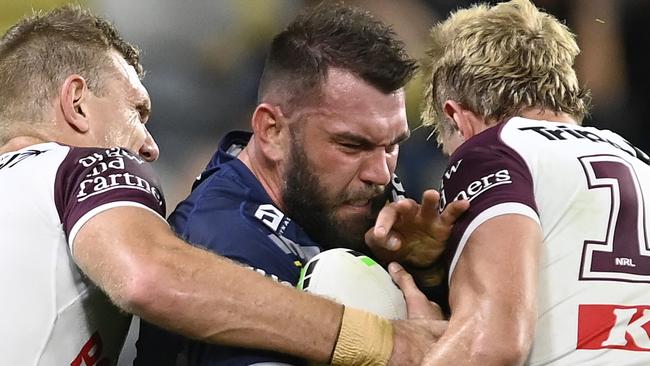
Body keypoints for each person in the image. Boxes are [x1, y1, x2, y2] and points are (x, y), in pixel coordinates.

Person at [0, 5, 453, 366]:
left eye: (393, 146)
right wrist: (385, 343)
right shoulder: (82, 165)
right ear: (77, 103)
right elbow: (152, 276)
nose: (150, 148)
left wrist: (425, 273)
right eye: (137, 111)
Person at [135, 3, 469, 365]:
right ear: (272, 131)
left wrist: (428, 273)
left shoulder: (362, 196)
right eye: (351, 145)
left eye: (392, 145)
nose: (381, 174)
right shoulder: (221, 246)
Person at [382, 0, 650, 364]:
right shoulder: (637, 158)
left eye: (447, 146)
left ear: (457, 116)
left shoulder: (492, 150)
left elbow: (491, 343)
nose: (452, 158)